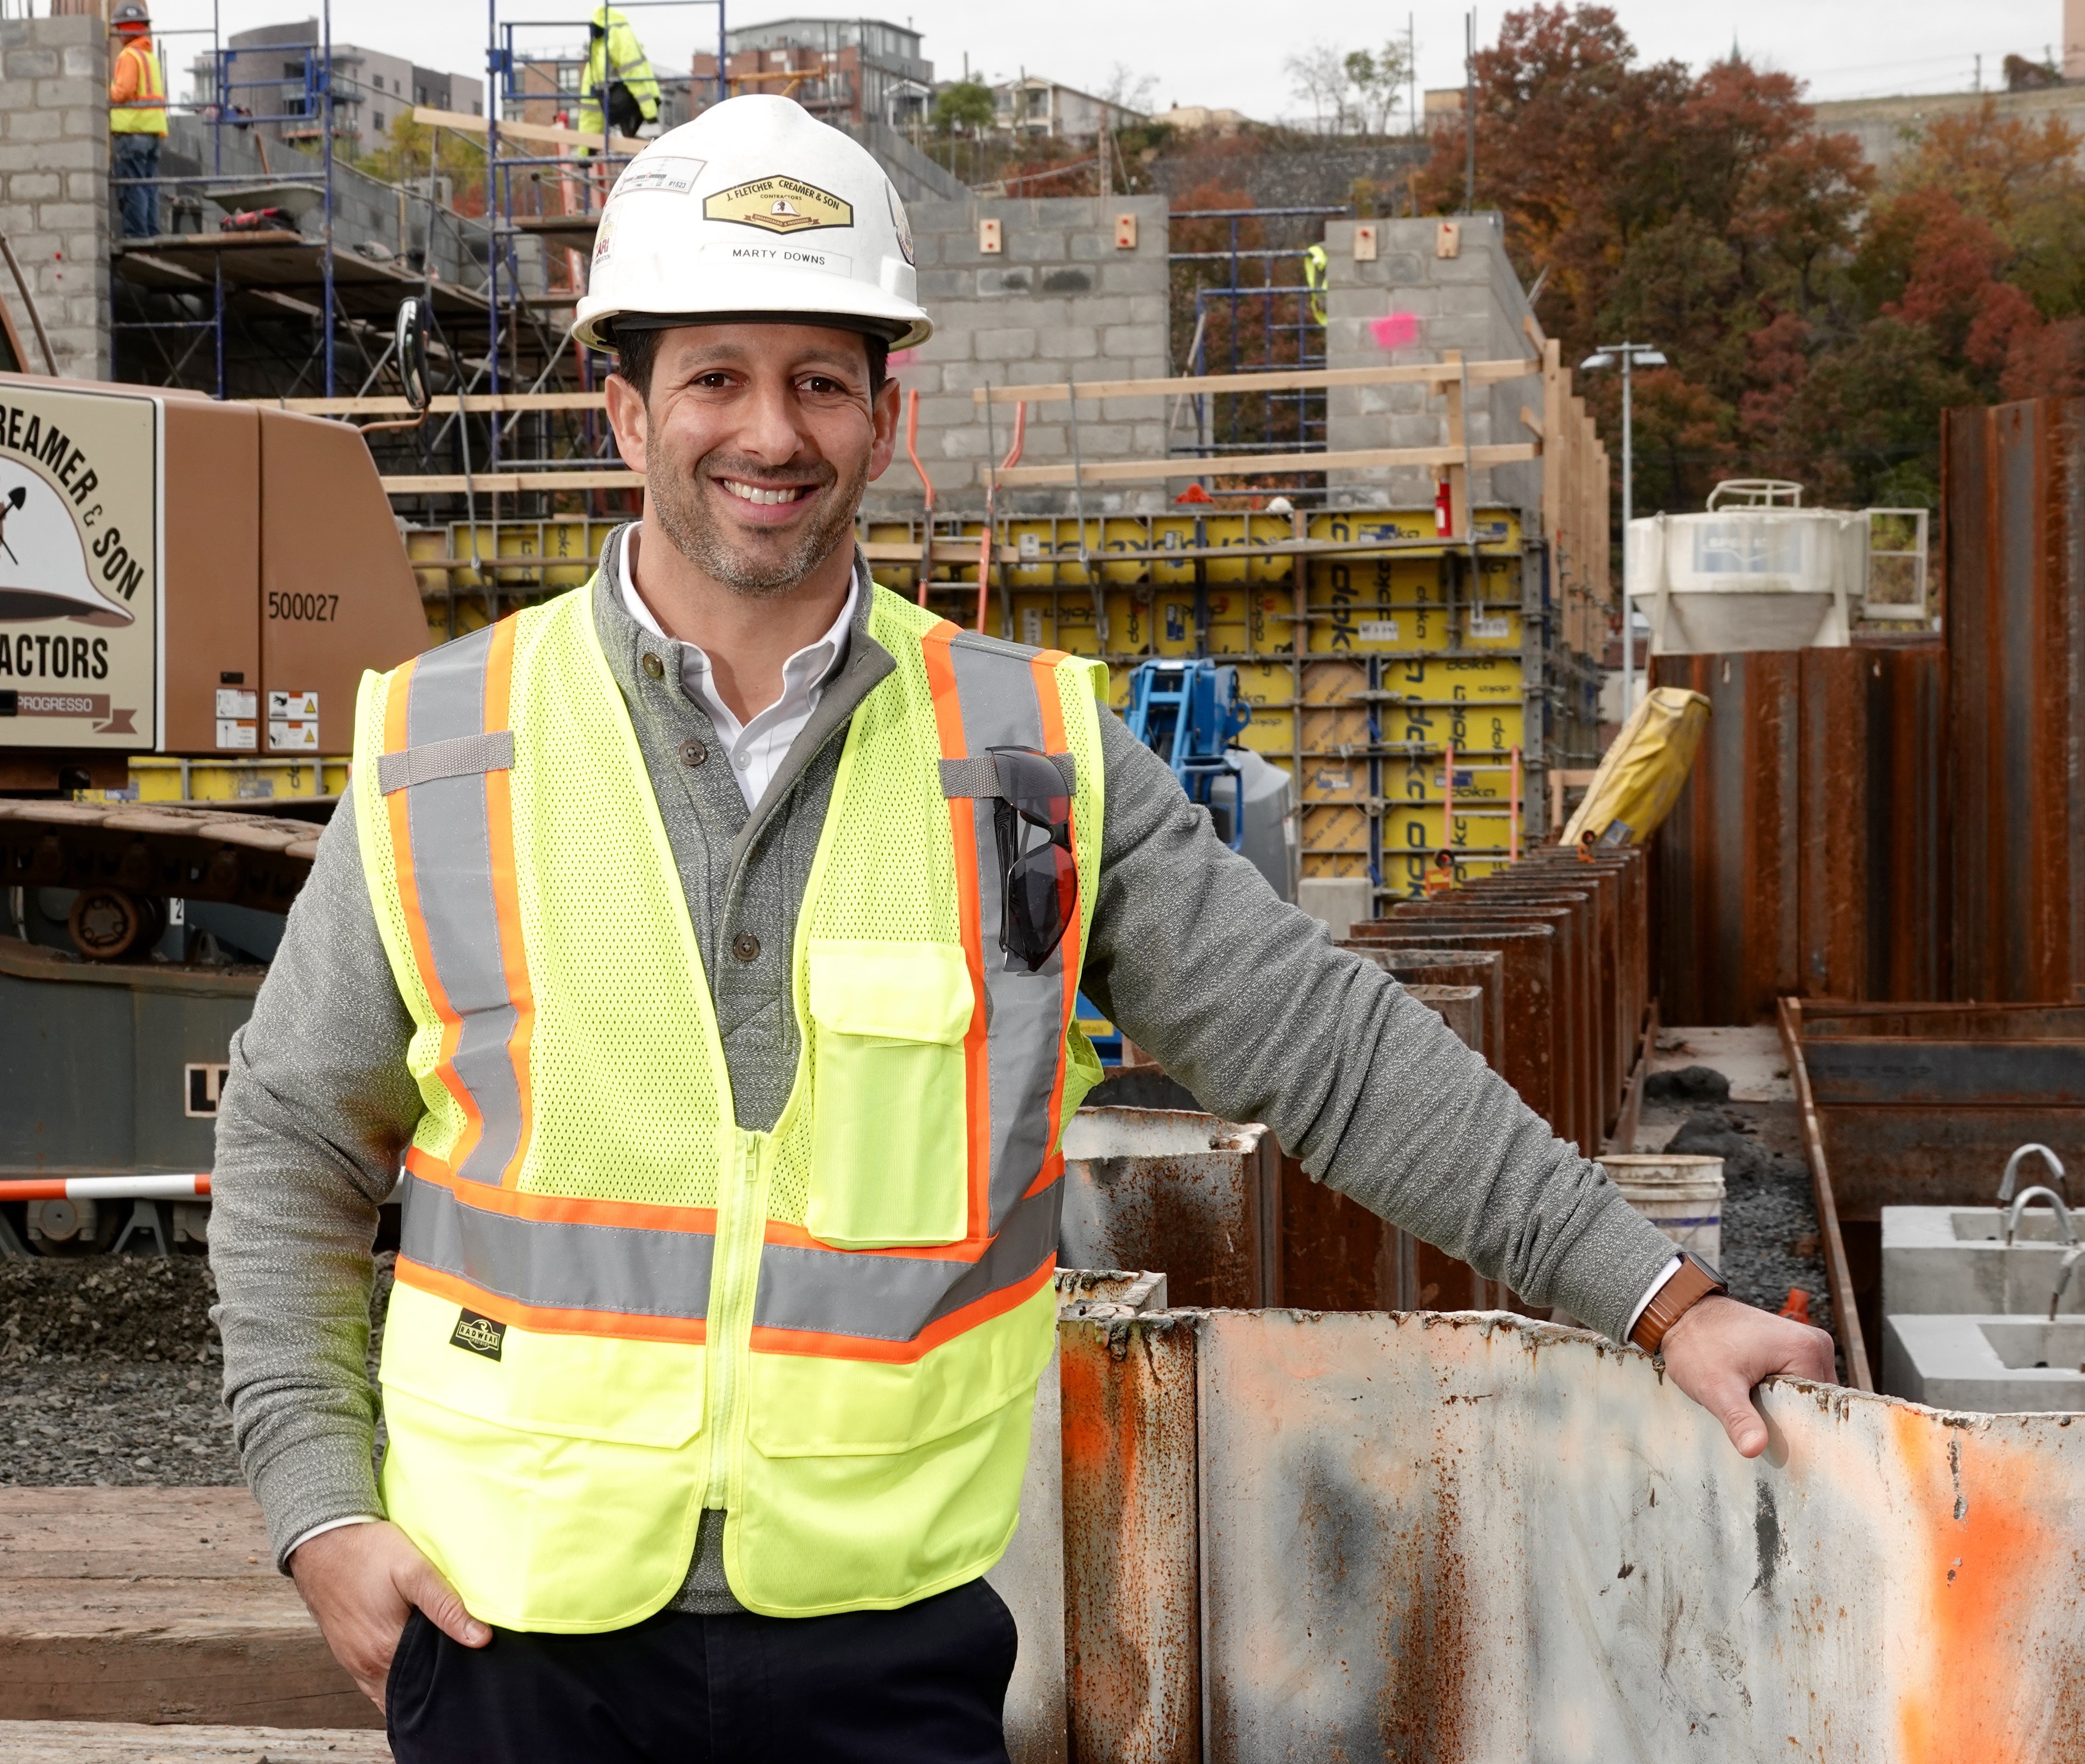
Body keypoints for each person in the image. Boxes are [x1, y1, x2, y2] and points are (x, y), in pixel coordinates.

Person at [210, 93, 1834, 1763]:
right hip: (510, 1640)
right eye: (715, 376)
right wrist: (320, 1503)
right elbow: (292, 1143)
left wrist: (1653, 1293)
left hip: (882, 1650)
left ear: (880, 417)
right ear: (627, 411)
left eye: (818, 380)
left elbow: (1328, 1051)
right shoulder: (448, 740)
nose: (768, 431)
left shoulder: (1028, 756)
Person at [107, 0, 166, 240]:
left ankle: (138, 237)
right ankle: (151, 234)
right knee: (148, 186)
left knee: (133, 186)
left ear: (123, 29)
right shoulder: (150, 57)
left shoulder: (130, 56)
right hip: (152, 133)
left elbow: (123, 92)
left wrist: (105, 91)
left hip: (133, 132)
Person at [575, 4, 661, 143]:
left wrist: (650, 115)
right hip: (625, 108)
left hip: (639, 106)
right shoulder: (597, 53)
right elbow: (590, 102)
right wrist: (586, 148)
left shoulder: (618, 41)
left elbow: (635, 77)